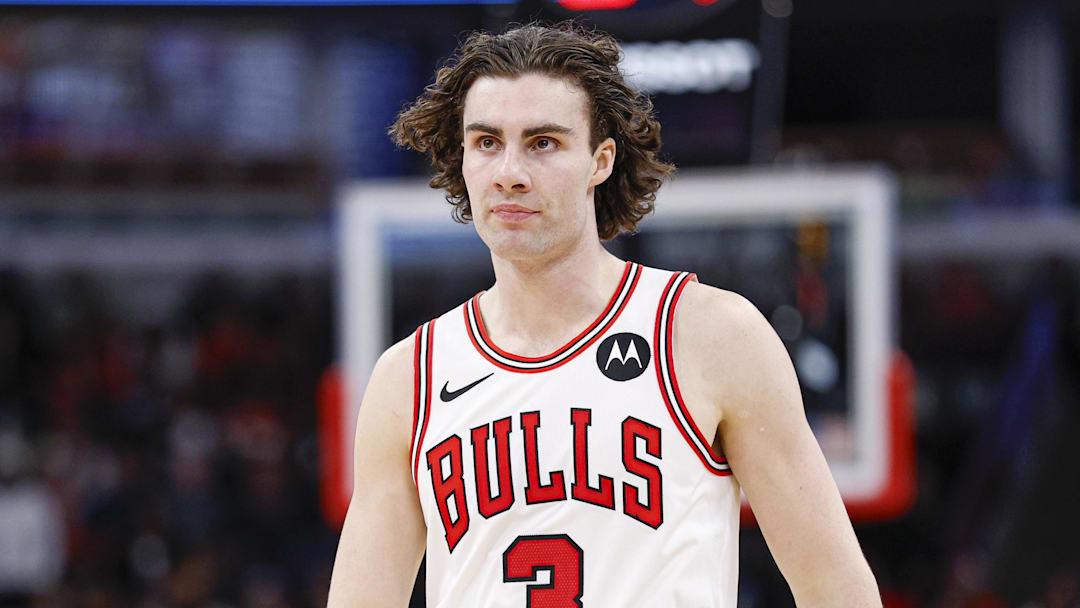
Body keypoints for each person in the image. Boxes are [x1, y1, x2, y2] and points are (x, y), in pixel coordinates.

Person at [327, 22, 881, 607]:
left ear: (600, 159)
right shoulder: (408, 377)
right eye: (487, 141)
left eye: (543, 143)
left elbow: (835, 587)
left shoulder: (711, 335)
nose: (510, 171)